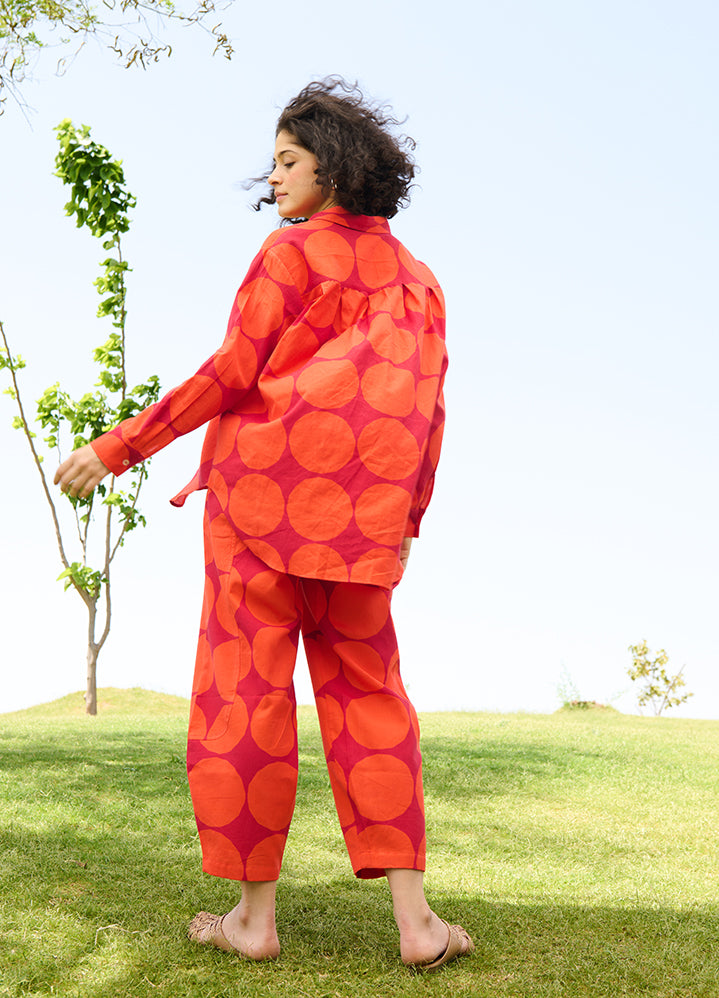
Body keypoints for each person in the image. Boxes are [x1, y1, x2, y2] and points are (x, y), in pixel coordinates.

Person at [54, 78, 474, 972]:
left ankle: (253, 919)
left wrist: (119, 448)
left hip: (256, 509)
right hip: (360, 524)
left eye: (288, 161)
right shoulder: (421, 282)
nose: (274, 177)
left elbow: (230, 374)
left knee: (245, 697)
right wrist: (408, 519)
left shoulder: (290, 257)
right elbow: (429, 414)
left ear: (333, 164)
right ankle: (416, 926)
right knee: (373, 704)